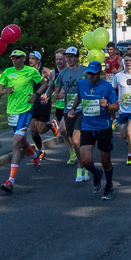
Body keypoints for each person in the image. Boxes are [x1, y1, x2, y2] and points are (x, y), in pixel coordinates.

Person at [0, 49, 45, 193]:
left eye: (17, 58)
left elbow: (44, 84)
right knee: (22, 143)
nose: (14, 60)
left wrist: (36, 95)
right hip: (12, 112)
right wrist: (4, 91)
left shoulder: (31, 71)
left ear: (23, 58)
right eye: (12, 58)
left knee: (16, 142)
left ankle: (10, 181)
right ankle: (35, 156)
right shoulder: (7, 72)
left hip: (25, 110)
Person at [71, 61, 119, 200]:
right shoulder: (82, 84)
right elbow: (79, 96)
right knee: (85, 161)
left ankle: (109, 185)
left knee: (106, 161)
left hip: (103, 127)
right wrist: (73, 108)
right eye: (89, 73)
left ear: (100, 73)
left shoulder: (107, 87)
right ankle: (96, 173)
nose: (91, 76)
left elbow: (116, 107)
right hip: (87, 127)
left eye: (94, 73)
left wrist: (108, 106)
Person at [54, 49, 89, 181]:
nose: (68, 59)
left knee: (76, 140)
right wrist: (59, 95)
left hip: (83, 110)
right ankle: (84, 163)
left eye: (71, 57)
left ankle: (81, 166)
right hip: (68, 110)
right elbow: (56, 93)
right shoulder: (63, 74)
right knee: (75, 142)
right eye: (67, 57)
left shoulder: (85, 71)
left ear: (77, 58)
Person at [112, 48, 131, 166]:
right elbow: (112, 89)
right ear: (123, 62)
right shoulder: (118, 76)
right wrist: (113, 102)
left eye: (130, 61)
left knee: (129, 133)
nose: (128, 63)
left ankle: (130, 156)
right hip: (123, 110)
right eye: (126, 61)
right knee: (123, 136)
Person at [50, 49, 76, 165]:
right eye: (57, 59)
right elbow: (52, 88)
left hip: (75, 106)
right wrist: (54, 94)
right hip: (61, 106)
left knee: (68, 130)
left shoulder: (73, 71)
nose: (59, 61)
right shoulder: (54, 73)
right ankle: (72, 149)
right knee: (64, 131)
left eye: (61, 59)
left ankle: (77, 152)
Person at [26, 51, 54, 160]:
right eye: (30, 58)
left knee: (40, 130)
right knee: (33, 129)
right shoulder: (27, 71)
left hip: (44, 103)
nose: (31, 60)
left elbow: (53, 84)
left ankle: (51, 126)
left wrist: (47, 95)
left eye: (33, 58)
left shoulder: (45, 71)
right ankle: (40, 150)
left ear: (38, 60)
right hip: (33, 103)